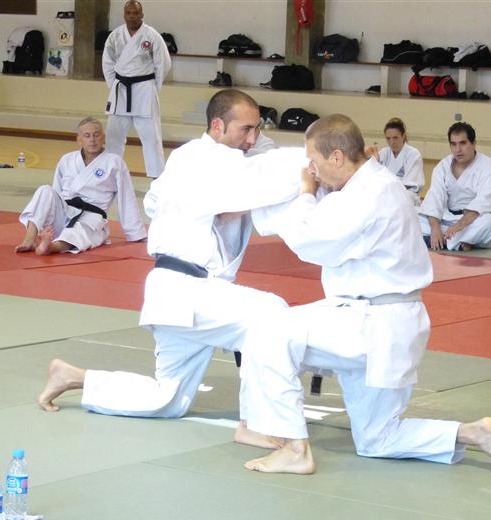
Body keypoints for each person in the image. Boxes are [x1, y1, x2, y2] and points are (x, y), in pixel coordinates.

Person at [240, 114, 491, 476]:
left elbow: (311, 240)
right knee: (378, 439)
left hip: (369, 323)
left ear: (337, 157)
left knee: (267, 332)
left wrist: (306, 192)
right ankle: (473, 433)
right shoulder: (374, 183)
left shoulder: (366, 193)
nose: (312, 170)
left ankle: (294, 448)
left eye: (314, 161)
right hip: (388, 326)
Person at [36, 90, 303, 449]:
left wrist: (211, 207)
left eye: (257, 129)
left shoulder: (187, 157)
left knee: (169, 398)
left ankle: (76, 377)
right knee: (270, 313)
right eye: (246, 129)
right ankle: (256, 422)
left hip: (172, 293)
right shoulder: (212, 159)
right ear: (218, 126)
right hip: (190, 288)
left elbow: (154, 201)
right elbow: (264, 179)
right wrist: (317, 161)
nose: (253, 138)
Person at [15, 116, 146, 255]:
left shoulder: (114, 162)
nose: (92, 140)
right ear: (79, 139)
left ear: (103, 138)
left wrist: (135, 232)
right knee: (45, 190)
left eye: (96, 135)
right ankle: (29, 239)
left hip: (92, 217)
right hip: (65, 211)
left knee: (80, 232)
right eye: (87, 135)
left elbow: (126, 198)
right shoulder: (67, 159)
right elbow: (55, 194)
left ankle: (51, 247)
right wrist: (48, 220)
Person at [102, 0, 172, 178]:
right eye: (128, 13)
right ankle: (110, 174)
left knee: (151, 137)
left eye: (135, 13)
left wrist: (152, 87)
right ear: (124, 15)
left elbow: (163, 63)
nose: (132, 16)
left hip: (144, 89)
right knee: (113, 136)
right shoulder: (116, 35)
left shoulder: (151, 35)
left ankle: (157, 177)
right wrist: (113, 85)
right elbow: (107, 62)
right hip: (120, 90)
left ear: (142, 14)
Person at [419, 122, 491, 252]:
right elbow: (434, 198)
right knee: (412, 215)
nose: (458, 149)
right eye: (453, 144)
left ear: (473, 143)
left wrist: (460, 225)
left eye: (462, 143)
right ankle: (457, 242)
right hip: (446, 218)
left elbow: (484, 201)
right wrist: (435, 228)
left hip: (471, 221)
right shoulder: (443, 166)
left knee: (488, 223)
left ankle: (438, 241)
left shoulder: (487, 166)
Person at [370, 118, 428, 242]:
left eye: (395, 138)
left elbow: (412, 183)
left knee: (403, 199)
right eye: (388, 138)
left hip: (407, 194)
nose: (392, 142)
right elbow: (374, 176)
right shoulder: (383, 153)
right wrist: (373, 161)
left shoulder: (413, 154)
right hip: (386, 192)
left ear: (403, 136)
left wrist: (389, 185)